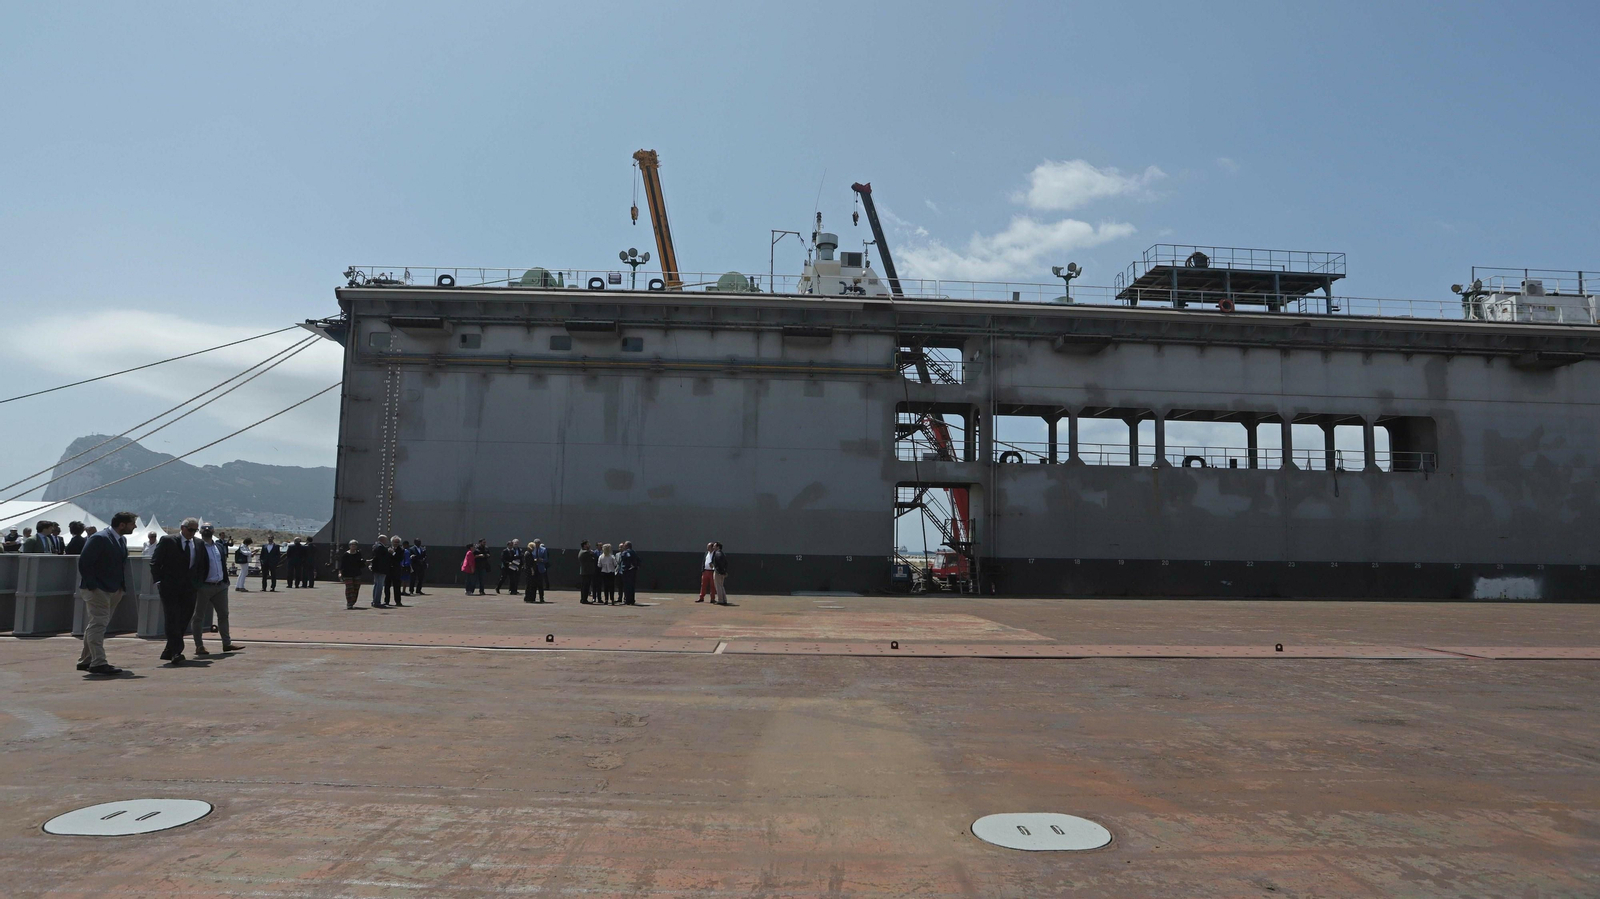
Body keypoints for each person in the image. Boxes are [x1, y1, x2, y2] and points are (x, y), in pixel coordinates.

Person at [75, 511, 136, 676]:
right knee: (99, 624)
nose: (135, 526)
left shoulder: (121, 540)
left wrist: (120, 587)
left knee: (97, 624)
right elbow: (85, 562)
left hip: (113, 589)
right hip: (98, 590)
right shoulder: (99, 538)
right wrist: (93, 586)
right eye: (132, 523)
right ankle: (99, 662)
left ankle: (86, 659)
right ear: (122, 525)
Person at [150, 518, 206, 665]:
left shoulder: (199, 544)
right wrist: (159, 582)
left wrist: (198, 583)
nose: (192, 533)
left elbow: (202, 565)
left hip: (190, 588)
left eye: (195, 530)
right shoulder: (168, 541)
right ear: (182, 528)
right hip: (169, 587)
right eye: (190, 530)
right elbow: (155, 562)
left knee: (184, 618)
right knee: (172, 618)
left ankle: (169, 650)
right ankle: (176, 651)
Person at [192, 524, 241, 655]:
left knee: (224, 615)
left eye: (210, 528)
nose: (207, 530)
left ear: (214, 531)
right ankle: (199, 646)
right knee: (198, 616)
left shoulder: (218, 546)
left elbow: (222, 564)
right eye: (204, 529)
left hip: (220, 586)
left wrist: (226, 581)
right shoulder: (197, 546)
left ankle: (227, 643)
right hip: (204, 587)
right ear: (200, 531)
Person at [337, 540, 366, 609]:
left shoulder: (358, 554)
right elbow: (342, 565)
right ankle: (349, 603)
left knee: (356, 588)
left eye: (354, 545)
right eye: (352, 545)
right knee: (349, 588)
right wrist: (340, 573)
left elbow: (361, 564)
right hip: (347, 574)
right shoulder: (346, 555)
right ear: (349, 546)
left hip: (357, 573)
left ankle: (353, 601)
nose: (353, 546)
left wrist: (365, 562)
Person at [524, 539, 548, 603]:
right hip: (533, 569)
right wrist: (534, 560)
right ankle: (532, 597)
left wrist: (541, 560)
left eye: (538, 543)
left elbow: (546, 559)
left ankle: (541, 598)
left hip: (540, 569)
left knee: (540, 585)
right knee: (532, 584)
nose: (536, 545)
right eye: (535, 543)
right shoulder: (531, 550)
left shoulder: (543, 550)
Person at [385, 535, 406, 606]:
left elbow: (399, 559)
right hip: (388, 570)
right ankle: (386, 601)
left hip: (396, 570)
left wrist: (393, 553)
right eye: (395, 542)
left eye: (398, 542)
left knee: (397, 586)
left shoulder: (401, 550)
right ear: (392, 542)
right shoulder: (387, 548)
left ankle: (398, 601)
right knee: (387, 586)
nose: (396, 543)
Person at [370, 535, 391, 607]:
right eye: (386, 539)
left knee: (376, 585)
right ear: (382, 540)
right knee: (379, 586)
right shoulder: (380, 547)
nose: (387, 541)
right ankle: (377, 601)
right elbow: (382, 559)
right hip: (381, 569)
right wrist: (389, 552)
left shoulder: (376, 546)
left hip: (377, 569)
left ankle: (375, 600)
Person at [618, 540, 639, 606]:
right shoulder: (634, 552)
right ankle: (632, 600)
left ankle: (627, 600)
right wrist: (636, 566)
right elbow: (638, 560)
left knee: (626, 586)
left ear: (627, 546)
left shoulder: (625, 552)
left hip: (626, 571)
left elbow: (623, 558)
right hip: (633, 571)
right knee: (632, 586)